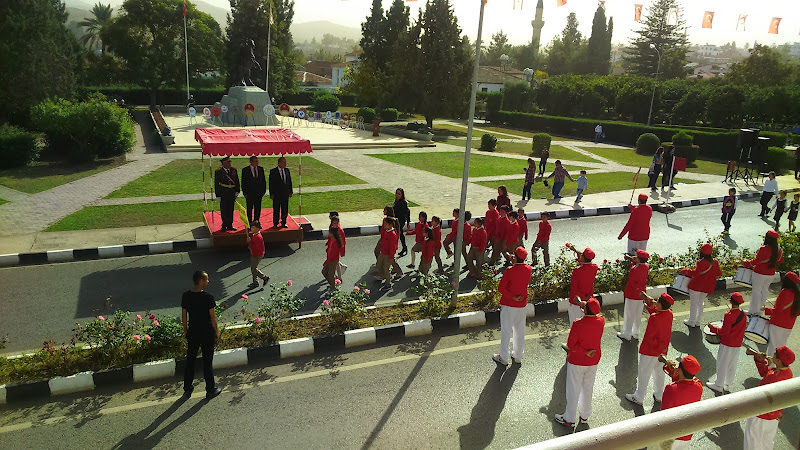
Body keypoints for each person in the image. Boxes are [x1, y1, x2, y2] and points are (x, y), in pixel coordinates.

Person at [555, 298, 604, 428]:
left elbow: (570, 345)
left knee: (573, 390)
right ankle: (584, 416)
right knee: (588, 388)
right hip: (593, 361)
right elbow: (595, 314)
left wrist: (584, 351)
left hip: (577, 360)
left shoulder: (578, 324)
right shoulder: (601, 321)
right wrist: (586, 307)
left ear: (586, 309)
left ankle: (569, 418)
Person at [626, 292, 674, 406]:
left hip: (650, 350)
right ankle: (659, 395)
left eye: (658, 301)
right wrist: (649, 301)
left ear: (661, 304)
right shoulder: (669, 314)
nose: (656, 302)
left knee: (644, 373)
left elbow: (650, 333)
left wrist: (650, 304)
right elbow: (657, 311)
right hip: (662, 351)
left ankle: (639, 397)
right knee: (659, 373)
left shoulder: (654, 318)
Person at [742, 346, 794, 450]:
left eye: (775, 354)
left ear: (778, 361)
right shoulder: (788, 372)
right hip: (774, 415)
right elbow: (765, 373)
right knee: (767, 441)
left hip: (761, 413)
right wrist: (762, 361)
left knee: (752, 440)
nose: (772, 355)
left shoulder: (773, 377)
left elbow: (763, 385)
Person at [182, 270, 222, 400]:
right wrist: (217, 332)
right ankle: (210, 389)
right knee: (207, 361)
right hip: (207, 332)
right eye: (206, 279)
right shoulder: (208, 297)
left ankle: (187, 389)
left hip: (193, 331)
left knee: (190, 360)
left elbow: (184, 315)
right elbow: (213, 318)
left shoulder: (186, 296)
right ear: (201, 281)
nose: (208, 281)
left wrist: (186, 330)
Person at [493, 247, 533, 366]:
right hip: (521, 304)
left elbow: (501, 288)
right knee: (520, 331)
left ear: (514, 257)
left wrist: (512, 297)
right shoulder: (528, 269)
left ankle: (504, 357)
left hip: (509, 304)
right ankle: (518, 355)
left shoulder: (510, 270)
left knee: (506, 331)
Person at [658, 355, 704, 449]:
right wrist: (674, 369)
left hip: (670, 433)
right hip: (687, 433)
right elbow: (685, 381)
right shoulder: (699, 386)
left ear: (679, 370)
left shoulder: (671, 388)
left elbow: (664, 413)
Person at [706, 292, 747, 393]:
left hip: (727, 343)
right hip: (737, 343)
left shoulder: (728, 315)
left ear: (730, 301)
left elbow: (724, 332)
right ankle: (727, 384)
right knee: (732, 364)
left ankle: (718, 384)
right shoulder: (743, 314)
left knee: (722, 363)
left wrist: (712, 328)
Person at [742, 229, 784, 315]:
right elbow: (781, 260)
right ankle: (760, 310)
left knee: (756, 292)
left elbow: (756, 261)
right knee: (764, 291)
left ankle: (752, 311)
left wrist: (746, 263)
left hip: (759, 273)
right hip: (771, 274)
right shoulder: (778, 250)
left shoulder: (764, 248)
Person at [680, 243, 722, 328]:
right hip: (707, 287)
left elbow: (695, 273)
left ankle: (691, 321)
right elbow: (718, 273)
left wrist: (686, 271)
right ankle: (697, 321)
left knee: (694, 303)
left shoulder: (701, 262)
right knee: (700, 303)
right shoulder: (715, 262)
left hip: (697, 285)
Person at [763, 271, 800, 357]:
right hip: (789, 325)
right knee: (781, 347)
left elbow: (777, 311)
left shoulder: (785, 292)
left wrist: (766, 309)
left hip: (778, 324)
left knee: (773, 347)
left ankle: (771, 364)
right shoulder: (797, 294)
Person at [617, 249, 650, 341]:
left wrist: (631, 260)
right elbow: (635, 264)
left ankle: (627, 333)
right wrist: (632, 259)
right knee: (637, 315)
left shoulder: (635, 269)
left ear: (638, 259)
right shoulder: (646, 267)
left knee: (629, 314)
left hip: (632, 294)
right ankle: (635, 332)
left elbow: (632, 269)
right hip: (641, 295)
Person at [566, 246, 599, 325]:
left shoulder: (577, 271)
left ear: (583, 257)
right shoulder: (594, 268)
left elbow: (574, 288)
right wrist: (578, 253)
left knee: (575, 325)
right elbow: (586, 263)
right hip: (588, 301)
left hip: (577, 301)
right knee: (586, 325)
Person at [214, 156, 240, 232]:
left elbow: (236, 180)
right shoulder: (219, 171)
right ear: (223, 163)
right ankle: (224, 225)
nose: (229, 164)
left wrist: (237, 190)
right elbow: (216, 184)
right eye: (228, 162)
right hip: (224, 193)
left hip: (231, 192)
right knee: (224, 209)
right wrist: (218, 195)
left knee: (231, 209)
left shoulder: (233, 170)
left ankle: (230, 224)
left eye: (230, 162)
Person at [268, 156, 293, 228]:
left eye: (285, 162)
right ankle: (275, 223)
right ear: (279, 163)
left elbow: (289, 181)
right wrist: (271, 193)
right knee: (276, 209)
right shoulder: (273, 171)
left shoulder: (287, 170)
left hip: (285, 193)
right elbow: (271, 183)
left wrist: (290, 191)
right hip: (277, 194)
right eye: (284, 162)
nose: (285, 164)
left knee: (285, 209)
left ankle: (284, 222)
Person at [240, 156, 266, 224]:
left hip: (258, 193)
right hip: (249, 193)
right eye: (255, 161)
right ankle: (249, 223)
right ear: (251, 162)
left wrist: (263, 191)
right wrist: (245, 193)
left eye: (257, 161)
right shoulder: (245, 170)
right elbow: (243, 182)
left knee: (258, 208)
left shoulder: (260, 169)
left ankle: (256, 222)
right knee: (249, 208)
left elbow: (263, 181)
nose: (257, 162)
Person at [376, 217, 399, 290]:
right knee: (378, 265)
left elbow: (392, 247)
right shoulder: (387, 231)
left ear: (390, 225)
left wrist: (391, 257)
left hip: (388, 255)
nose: (384, 225)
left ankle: (388, 284)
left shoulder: (392, 234)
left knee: (386, 269)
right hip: (383, 253)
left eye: (386, 224)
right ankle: (386, 276)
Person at [245, 222, 270, 288]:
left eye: (253, 227)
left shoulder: (257, 237)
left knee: (253, 268)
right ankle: (256, 281)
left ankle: (263, 278)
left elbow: (255, 247)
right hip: (257, 254)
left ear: (258, 228)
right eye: (252, 227)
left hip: (257, 255)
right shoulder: (255, 235)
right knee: (254, 268)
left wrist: (249, 242)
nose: (251, 228)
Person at [323, 222, 345, 289]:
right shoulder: (332, 240)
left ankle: (333, 287)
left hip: (332, 260)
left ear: (332, 233)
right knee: (324, 272)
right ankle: (333, 283)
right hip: (330, 259)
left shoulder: (335, 243)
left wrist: (327, 262)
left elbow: (333, 254)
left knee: (330, 274)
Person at [393, 188, 411, 257]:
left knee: (398, 233)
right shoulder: (396, 201)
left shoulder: (403, 202)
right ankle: (404, 247)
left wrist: (408, 222)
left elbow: (407, 212)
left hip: (401, 220)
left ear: (402, 194)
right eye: (396, 193)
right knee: (400, 234)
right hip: (396, 220)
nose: (397, 195)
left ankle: (401, 248)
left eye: (399, 194)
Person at [329, 214, 347, 280]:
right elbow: (330, 238)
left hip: (336, 249)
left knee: (335, 263)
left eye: (336, 223)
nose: (335, 224)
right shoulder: (332, 228)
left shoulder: (340, 230)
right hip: (332, 248)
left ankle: (339, 277)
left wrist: (342, 252)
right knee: (335, 262)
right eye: (334, 223)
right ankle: (338, 275)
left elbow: (343, 242)